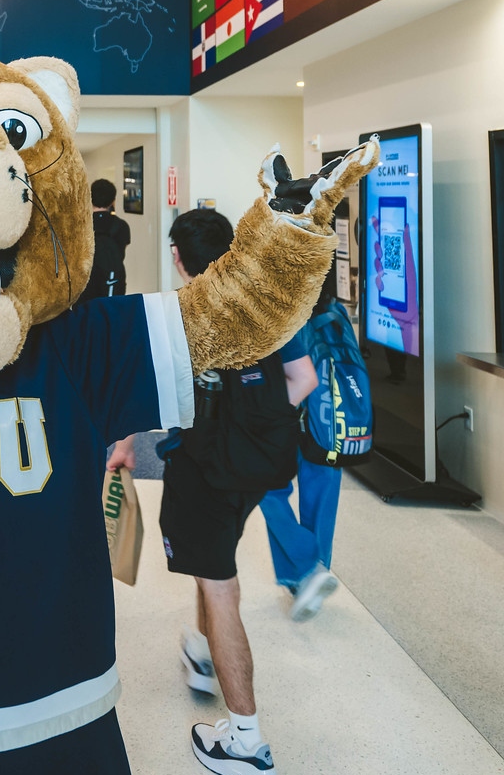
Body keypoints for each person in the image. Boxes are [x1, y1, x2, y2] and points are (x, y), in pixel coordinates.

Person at [106, 208, 322, 775]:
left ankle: (246, 740)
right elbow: (304, 381)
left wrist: (126, 444)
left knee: (220, 587)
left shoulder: (180, 316)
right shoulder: (270, 304)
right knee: (215, 560)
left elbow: (142, 392)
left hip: (203, 472)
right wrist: (255, 429)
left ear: (178, 257)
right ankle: (204, 655)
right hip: (259, 469)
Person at [258, 266, 344, 620]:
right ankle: (314, 570)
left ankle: (307, 569)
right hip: (330, 420)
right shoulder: (335, 313)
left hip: (291, 411)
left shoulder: (283, 316)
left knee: (265, 487)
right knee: (323, 486)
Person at [83, 178, 131, 300]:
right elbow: (120, 254)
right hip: (112, 281)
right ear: (113, 201)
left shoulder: (81, 225)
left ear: (90, 198)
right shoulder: (121, 226)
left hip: (85, 283)